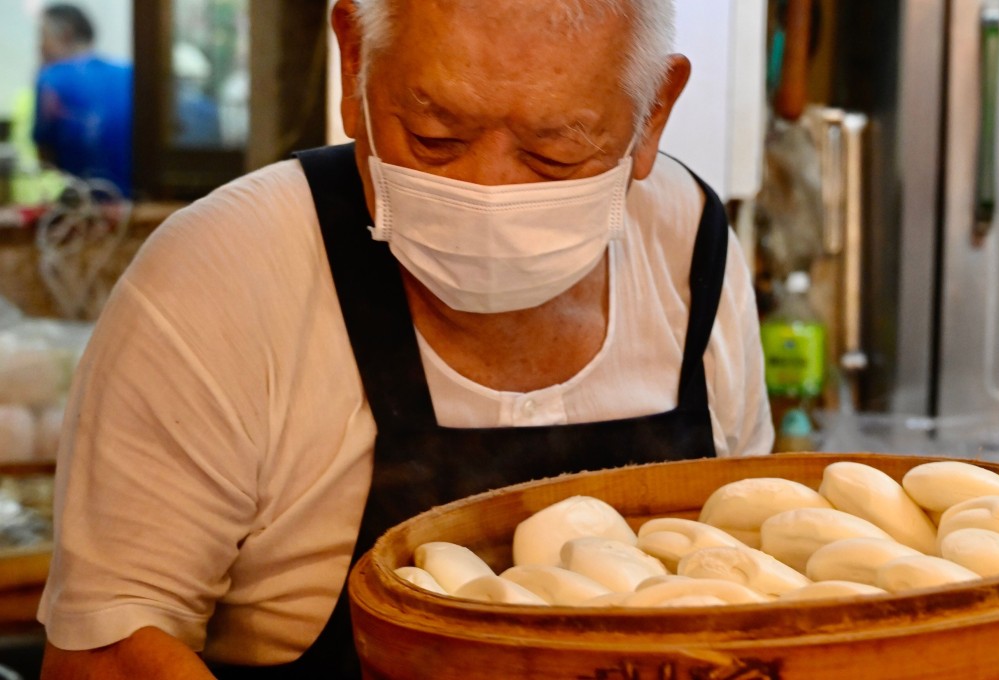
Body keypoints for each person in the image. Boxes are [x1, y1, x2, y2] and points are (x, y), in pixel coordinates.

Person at [38, 0, 773, 677]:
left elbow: (754, 579)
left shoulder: (688, 250)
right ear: (354, 58)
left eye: (556, 151)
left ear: (654, 115)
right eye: (435, 136)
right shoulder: (224, 276)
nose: (490, 192)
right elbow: (105, 651)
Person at [33, 3, 133, 197]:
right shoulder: (129, 72)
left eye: (42, 37)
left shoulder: (51, 79)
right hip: (138, 201)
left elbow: (44, 156)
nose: (39, 46)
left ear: (66, 35)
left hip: (86, 205)